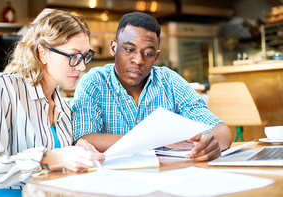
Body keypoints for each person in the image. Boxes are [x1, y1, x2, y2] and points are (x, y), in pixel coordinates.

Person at [71, 11, 232, 162]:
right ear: (114, 48)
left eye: (148, 53)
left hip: (167, 176)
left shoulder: (169, 81)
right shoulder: (94, 82)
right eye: (129, 49)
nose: (138, 60)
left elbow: (221, 130)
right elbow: (84, 139)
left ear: (156, 57)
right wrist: (155, 139)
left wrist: (213, 143)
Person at [0, 9, 105, 195]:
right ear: (43, 53)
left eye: (84, 56)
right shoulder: (1, 88)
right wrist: (49, 158)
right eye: (74, 56)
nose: (82, 66)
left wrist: (75, 151)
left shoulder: (64, 109)